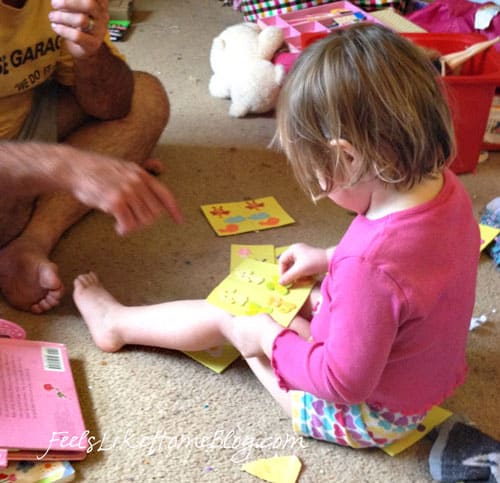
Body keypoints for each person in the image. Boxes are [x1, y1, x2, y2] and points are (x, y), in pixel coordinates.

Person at [73, 24, 481, 450]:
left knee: (231, 316)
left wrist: (266, 337)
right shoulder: (445, 189)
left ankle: (115, 324)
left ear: (347, 156)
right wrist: (327, 257)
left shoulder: (367, 265)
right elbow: (413, 265)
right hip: (425, 380)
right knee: (303, 299)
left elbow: (342, 382)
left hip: (367, 416)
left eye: (318, 174)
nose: (319, 187)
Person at [0, 0, 179, 313]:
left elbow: (112, 106)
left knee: (146, 98)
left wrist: (90, 54)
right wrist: (65, 166)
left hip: (26, 115)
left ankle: (31, 241)